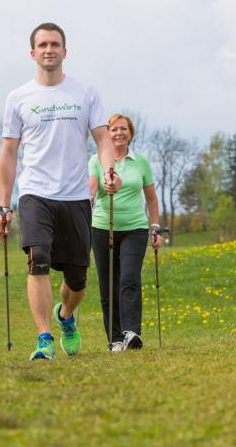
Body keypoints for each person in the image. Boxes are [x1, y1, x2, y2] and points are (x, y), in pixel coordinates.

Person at [0, 22, 122, 361]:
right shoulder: (18, 97)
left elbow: (102, 139)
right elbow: (8, 152)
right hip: (35, 193)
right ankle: (44, 338)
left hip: (76, 196)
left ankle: (65, 316)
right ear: (32, 53)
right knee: (37, 261)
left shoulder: (85, 92)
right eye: (43, 44)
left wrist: (110, 172)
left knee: (77, 280)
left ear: (65, 51)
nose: (49, 49)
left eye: (55, 44)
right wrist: (3, 204)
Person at [89, 113, 161, 352]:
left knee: (129, 278)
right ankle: (114, 338)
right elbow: (90, 191)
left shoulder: (141, 162)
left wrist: (155, 227)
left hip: (135, 229)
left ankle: (131, 333)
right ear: (106, 134)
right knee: (108, 284)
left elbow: (151, 199)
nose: (119, 133)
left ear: (130, 134)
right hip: (102, 228)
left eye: (124, 129)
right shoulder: (96, 161)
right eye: (114, 129)